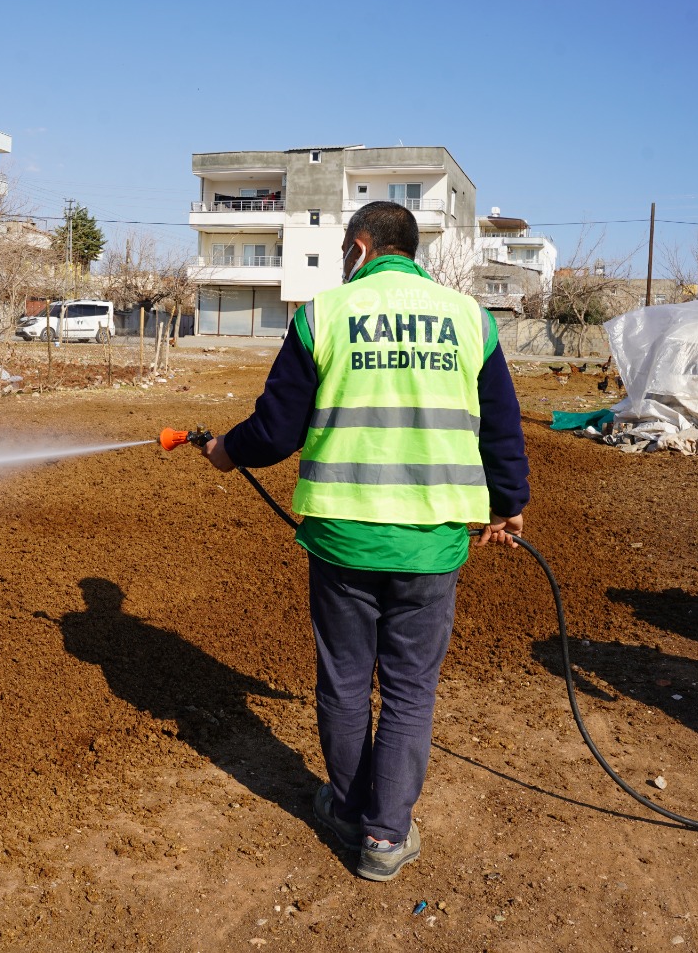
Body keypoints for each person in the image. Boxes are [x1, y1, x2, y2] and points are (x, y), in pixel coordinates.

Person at [198, 200, 529, 882]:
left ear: (359, 246)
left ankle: (347, 812)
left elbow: (277, 428)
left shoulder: (324, 314)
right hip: (432, 540)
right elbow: (501, 426)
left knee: (346, 684)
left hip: (344, 539)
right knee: (410, 690)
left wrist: (227, 452)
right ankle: (385, 837)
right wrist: (509, 505)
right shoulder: (471, 318)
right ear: (414, 252)